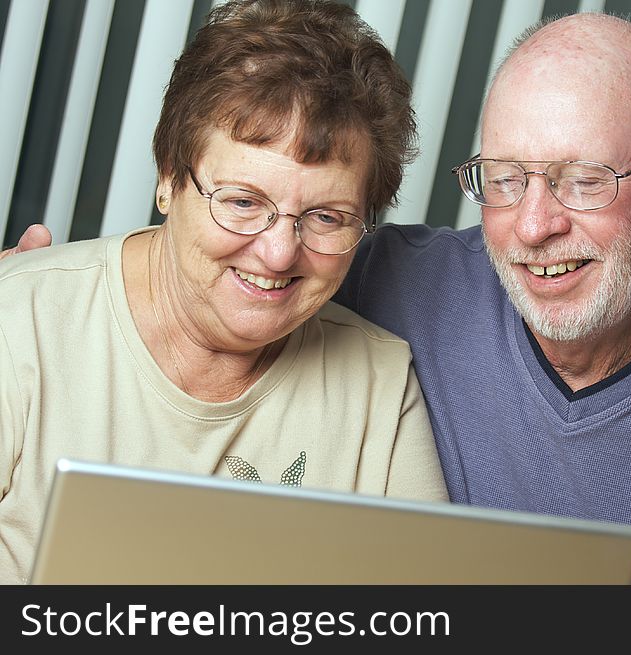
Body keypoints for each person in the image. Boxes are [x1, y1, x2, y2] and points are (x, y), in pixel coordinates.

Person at [6, 10, 631, 584]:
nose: (535, 225)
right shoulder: (363, 281)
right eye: (504, 178)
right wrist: (28, 294)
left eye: (583, 179)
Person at [0, 0, 447, 585]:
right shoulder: (21, 321)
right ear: (168, 178)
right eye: (242, 202)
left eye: (327, 217)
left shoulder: (380, 390)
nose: (279, 252)